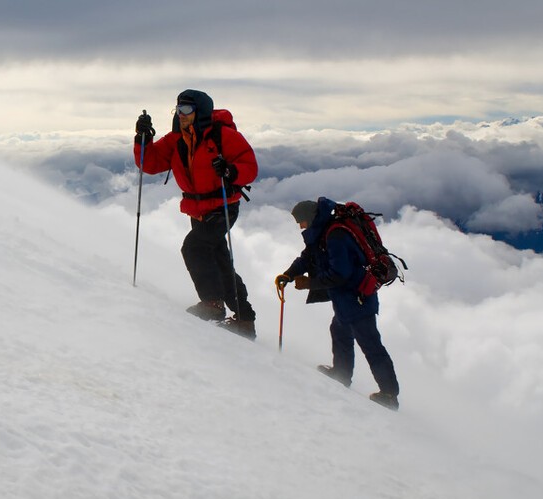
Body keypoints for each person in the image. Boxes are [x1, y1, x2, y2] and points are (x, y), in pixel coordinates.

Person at [134, 89, 259, 338]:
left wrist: (231, 171)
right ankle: (244, 319)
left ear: (199, 111)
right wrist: (142, 139)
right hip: (197, 209)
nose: (181, 115)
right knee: (219, 260)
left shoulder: (224, 136)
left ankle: (212, 304)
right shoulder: (176, 139)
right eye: (178, 110)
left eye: (187, 110)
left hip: (223, 205)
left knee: (194, 248)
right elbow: (150, 164)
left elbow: (250, 166)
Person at [278, 197, 400, 410]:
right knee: (340, 331)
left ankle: (389, 395)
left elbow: (339, 274)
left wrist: (309, 283)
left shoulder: (335, 236)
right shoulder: (323, 233)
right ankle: (341, 374)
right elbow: (308, 257)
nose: (300, 226)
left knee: (371, 345)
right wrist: (289, 275)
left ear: (311, 218)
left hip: (357, 298)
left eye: (302, 222)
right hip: (347, 300)